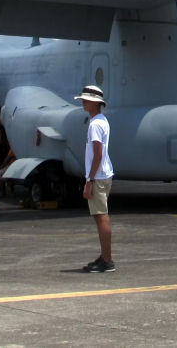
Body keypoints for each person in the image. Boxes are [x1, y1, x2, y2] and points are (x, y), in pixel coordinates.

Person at [78, 85, 115, 272]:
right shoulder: (102, 120)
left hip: (98, 176)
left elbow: (97, 154)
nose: (83, 102)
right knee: (100, 217)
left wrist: (89, 180)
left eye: (86, 100)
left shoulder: (94, 124)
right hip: (104, 174)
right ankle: (104, 256)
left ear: (95, 102)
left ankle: (107, 260)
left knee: (101, 217)